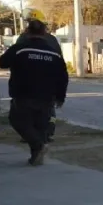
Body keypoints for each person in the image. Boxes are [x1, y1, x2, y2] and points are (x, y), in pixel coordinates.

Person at [0, 15, 69, 166]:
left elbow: (2, 62)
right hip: (47, 96)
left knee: (17, 120)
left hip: (24, 94)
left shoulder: (20, 49)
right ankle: (36, 155)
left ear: (27, 32)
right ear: (44, 33)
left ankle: (38, 147)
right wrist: (60, 97)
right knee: (40, 125)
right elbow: (63, 76)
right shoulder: (54, 53)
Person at [16, 9, 62, 142]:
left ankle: (31, 135)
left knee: (28, 109)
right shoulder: (52, 39)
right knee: (47, 109)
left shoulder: (23, 38)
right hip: (47, 83)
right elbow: (59, 62)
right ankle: (46, 134)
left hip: (27, 83)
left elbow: (15, 60)